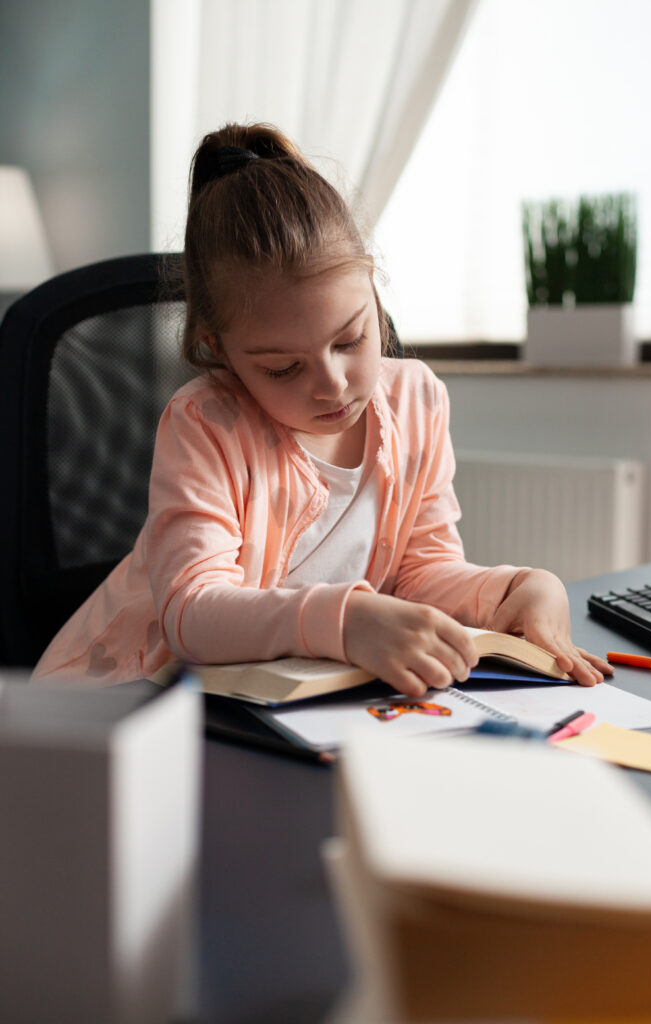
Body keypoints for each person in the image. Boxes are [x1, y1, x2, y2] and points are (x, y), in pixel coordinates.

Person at [32, 122, 612, 694]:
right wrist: (347, 622)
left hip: (283, 705)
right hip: (126, 700)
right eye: (283, 368)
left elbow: (421, 573)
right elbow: (193, 614)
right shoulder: (203, 423)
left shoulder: (416, 399)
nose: (332, 385)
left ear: (373, 287)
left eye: (350, 340)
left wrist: (516, 589)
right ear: (218, 349)